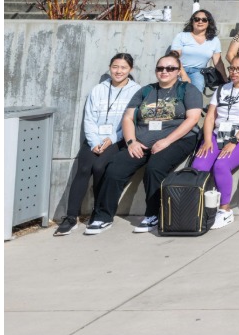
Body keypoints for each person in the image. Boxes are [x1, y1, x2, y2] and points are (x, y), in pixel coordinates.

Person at [85, 53, 204, 234]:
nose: (164, 71)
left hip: (178, 139)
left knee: (154, 168)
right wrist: (131, 142)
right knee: (115, 168)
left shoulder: (187, 90)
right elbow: (127, 118)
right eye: (160, 68)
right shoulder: (145, 91)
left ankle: (152, 214)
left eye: (170, 68)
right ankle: (103, 216)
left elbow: (193, 118)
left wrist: (166, 141)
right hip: (141, 140)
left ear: (178, 71)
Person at [58, 52, 141, 234]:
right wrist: (94, 141)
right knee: (84, 168)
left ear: (130, 69)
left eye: (123, 68)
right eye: (115, 67)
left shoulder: (136, 90)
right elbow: (88, 119)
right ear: (110, 68)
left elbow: (131, 121)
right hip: (94, 138)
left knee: (100, 167)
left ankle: (98, 212)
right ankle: (71, 217)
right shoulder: (98, 90)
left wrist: (111, 139)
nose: (118, 71)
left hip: (117, 140)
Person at [189, 54, 239, 230]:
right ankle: (196, 207)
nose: (234, 72)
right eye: (232, 68)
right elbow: (209, 117)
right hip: (218, 133)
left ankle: (225, 210)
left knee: (221, 165)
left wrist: (234, 141)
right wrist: (207, 140)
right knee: (199, 165)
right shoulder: (222, 89)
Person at [170, 9, 223, 94]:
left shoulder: (214, 40)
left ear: (209, 22)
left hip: (198, 72)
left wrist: (225, 80)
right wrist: (183, 75)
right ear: (192, 21)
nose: (200, 22)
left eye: (204, 20)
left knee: (196, 94)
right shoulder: (182, 36)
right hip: (179, 69)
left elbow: (218, 63)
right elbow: (174, 57)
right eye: (197, 19)